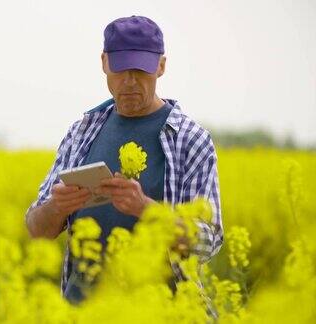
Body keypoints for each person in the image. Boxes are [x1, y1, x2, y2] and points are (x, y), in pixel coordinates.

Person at [24, 15, 224, 308]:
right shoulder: (82, 132)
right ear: (104, 63)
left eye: (140, 70)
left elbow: (209, 241)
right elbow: (36, 229)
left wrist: (147, 210)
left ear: (161, 66)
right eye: (120, 70)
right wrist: (57, 207)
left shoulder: (191, 140)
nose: (130, 82)